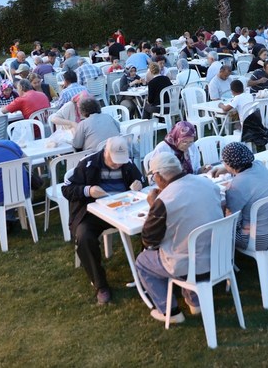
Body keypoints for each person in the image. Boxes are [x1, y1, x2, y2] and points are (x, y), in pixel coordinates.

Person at [135, 151, 223, 322]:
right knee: (188, 241)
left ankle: (170, 312)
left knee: (143, 261)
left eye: (153, 176)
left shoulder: (164, 200)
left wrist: (153, 205)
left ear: (159, 175)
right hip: (218, 257)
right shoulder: (207, 183)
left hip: (189, 265)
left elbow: (149, 240)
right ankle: (195, 302)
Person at [62, 137, 145, 304]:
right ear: (106, 153)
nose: (117, 165)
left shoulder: (126, 163)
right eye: (114, 161)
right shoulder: (88, 163)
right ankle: (100, 284)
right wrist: (88, 190)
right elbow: (67, 189)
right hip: (95, 212)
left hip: (125, 208)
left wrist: (139, 184)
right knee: (84, 236)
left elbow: (141, 180)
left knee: (151, 224)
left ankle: (147, 273)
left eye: (120, 162)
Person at [210, 142, 268, 250]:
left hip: (258, 239)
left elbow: (231, 220)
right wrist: (226, 169)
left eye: (224, 162)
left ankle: (225, 259)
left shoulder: (235, 186)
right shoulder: (259, 165)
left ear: (230, 164)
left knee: (217, 230)